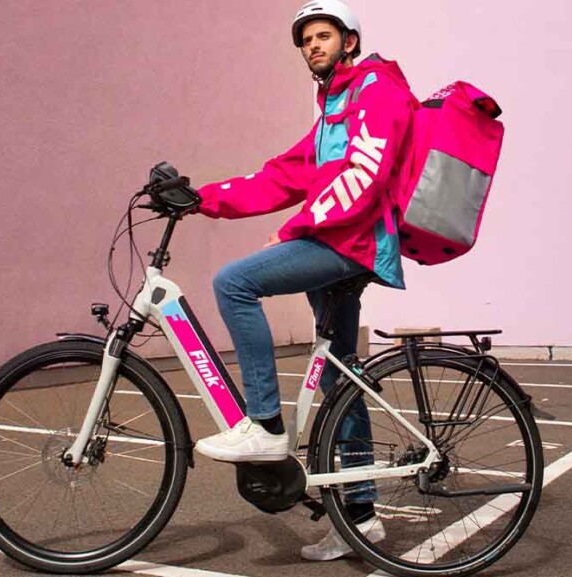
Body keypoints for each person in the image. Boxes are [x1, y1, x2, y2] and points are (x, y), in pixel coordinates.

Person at [194, 0, 417, 561]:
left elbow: (365, 175)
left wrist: (297, 228)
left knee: (234, 284)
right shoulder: (334, 107)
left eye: (323, 36)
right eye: (306, 40)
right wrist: (201, 198)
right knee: (342, 382)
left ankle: (265, 425)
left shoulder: (376, 89)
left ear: (349, 41)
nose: (313, 46)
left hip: (354, 244)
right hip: (338, 241)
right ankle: (361, 518)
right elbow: (283, 175)